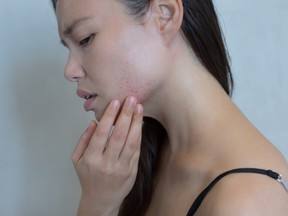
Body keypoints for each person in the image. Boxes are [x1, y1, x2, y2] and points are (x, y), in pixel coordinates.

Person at [51, 0, 288, 215]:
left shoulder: (247, 201)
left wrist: (97, 207)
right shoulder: (139, 161)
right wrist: (98, 202)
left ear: (165, 15)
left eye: (85, 39)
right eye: (68, 47)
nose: (70, 70)